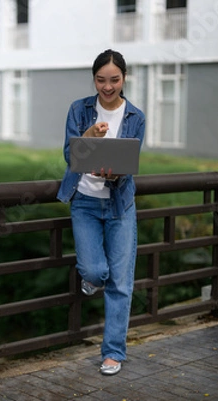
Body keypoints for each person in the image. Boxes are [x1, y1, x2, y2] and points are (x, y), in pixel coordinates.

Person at [57, 49, 146, 376]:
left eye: (114, 80)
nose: (107, 87)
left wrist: (117, 173)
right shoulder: (79, 110)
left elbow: (131, 160)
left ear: (124, 79)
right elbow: (70, 155)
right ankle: (92, 280)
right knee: (94, 271)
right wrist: (88, 137)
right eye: (100, 80)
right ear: (94, 79)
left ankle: (113, 353)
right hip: (84, 201)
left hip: (119, 203)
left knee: (121, 283)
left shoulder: (135, 115)